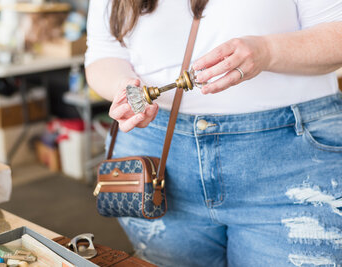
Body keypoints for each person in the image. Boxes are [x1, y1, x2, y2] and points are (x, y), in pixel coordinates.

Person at [85, 0, 342, 266]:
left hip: (293, 162)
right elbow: (103, 52)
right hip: (155, 160)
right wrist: (123, 88)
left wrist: (267, 51)